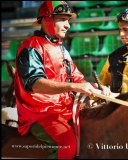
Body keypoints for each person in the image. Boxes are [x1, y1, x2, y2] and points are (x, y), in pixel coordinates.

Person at [14, 1, 111, 159]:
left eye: (68, 20)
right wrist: (74, 86)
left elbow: (77, 79)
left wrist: (93, 87)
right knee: (67, 145)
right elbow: (35, 84)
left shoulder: (62, 49)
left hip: (66, 110)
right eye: (62, 20)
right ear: (47, 20)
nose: (68, 26)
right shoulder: (30, 46)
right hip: (40, 114)